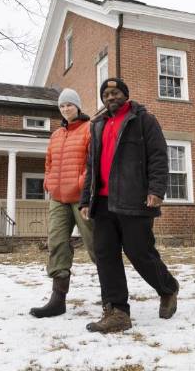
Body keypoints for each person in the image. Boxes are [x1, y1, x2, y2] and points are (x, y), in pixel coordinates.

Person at [79, 77, 179, 333]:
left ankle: (167, 288)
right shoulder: (97, 125)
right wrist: (84, 200)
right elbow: (91, 166)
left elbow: (158, 157)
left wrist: (156, 190)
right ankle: (117, 312)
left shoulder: (143, 120)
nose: (110, 97)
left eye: (115, 92)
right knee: (105, 255)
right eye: (106, 94)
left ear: (125, 94)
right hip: (102, 202)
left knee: (139, 252)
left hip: (134, 199)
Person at [29, 88, 95, 318]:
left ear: (78, 106)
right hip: (58, 198)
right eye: (62, 106)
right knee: (56, 242)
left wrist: (80, 183)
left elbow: (92, 164)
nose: (66, 109)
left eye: (69, 104)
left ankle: (113, 296)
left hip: (81, 198)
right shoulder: (56, 135)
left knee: (96, 244)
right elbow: (48, 163)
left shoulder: (89, 129)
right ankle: (58, 300)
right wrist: (48, 182)